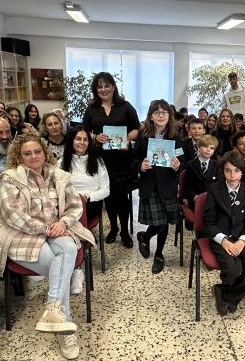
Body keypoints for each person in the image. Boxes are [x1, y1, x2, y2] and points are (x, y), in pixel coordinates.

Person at [0, 134, 95, 360]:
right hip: (22, 235)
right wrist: (46, 229)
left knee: (67, 251)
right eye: (27, 153)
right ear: (18, 157)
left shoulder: (59, 175)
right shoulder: (9, 178)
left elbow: (75, 205)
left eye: (37, 151)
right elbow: (12, 215)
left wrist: (63, 223)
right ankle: (65, 327)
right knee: (60, 268)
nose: (33, 156)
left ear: (44, 152)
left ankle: (54, 310)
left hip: (58, 229)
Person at [82, 72, 140, 248]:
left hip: (122, 159)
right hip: (101, 160)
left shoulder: (125, 106)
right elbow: (84, 132)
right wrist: (95, 137)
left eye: (107, 85)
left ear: (113, 87)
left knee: (122, 197)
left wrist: (128, 140)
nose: (103, 89)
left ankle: (124, 231)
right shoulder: (92, 108)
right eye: (99, 86)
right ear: (95, 89)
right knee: (108, 196)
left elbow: (137, 128)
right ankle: (113, 228)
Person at [205, 150, 245, 316]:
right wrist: (223, 241)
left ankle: (225, 293)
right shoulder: (214, 190)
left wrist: (242, 241)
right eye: (228, 170)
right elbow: (209, 222)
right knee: (231, 271)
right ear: (223, 171)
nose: (232, 175)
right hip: (220, 238)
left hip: (241, 237)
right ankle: (229, 294)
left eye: (237, 171)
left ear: (242, 172)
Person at [59, 125, 110, 294]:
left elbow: (106, 189)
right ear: (71, 141)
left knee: (76, 217)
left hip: (90, 204)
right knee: (70, 215)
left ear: (90, 142)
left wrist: (86, 197)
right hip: (67, 206)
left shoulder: (98, 162)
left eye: (85, 139)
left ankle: (76, 269)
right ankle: (73, 266)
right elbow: (56, 188)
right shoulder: (61, 162)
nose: (81, 142)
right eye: (78, 139)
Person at [134, 100, 182, 274]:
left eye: (164, 112)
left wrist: (177, 165)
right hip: (150, 185)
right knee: (160, 224)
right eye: (157, 112)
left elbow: (182, 159)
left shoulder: (176, 136)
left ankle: (157, 252)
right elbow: (134, 159)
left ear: (169, 116)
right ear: (151, 116)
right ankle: (145, 237)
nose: (161, 115)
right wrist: (141, 165)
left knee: (164, 223)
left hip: (168, 185)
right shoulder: (143, 135)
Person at [182, 135, 220, 210]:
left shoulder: (217, 165)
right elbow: (187, 187)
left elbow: (219, 185)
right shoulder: (190, 165)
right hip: (195, 201)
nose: (208, 150)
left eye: (211, 148)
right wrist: (195, 197)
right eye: (205, 147)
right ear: (199, 148)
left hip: (213, 202)